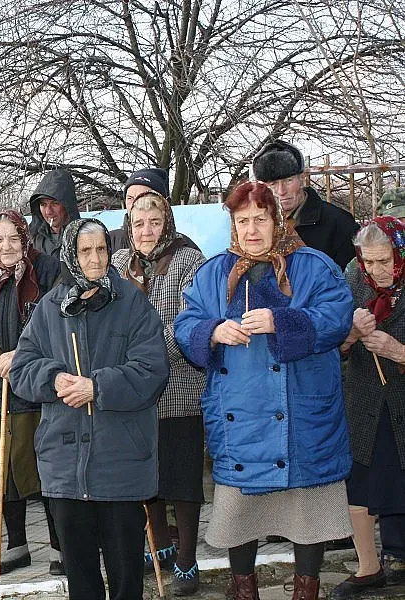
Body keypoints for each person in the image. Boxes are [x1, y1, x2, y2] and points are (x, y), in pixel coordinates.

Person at [174, 181, 354, 600]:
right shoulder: (214, 272)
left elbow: (337, 318)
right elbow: (185, 325)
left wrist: (282, 322)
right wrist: (213, 331)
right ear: (233, 224)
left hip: (302, 414)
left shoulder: (313, 266)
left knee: (308, 516)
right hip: (240, 418)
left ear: (277, 220)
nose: (251, 230)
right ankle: (244, 590)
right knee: (240, 516)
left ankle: (306, 590)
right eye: (243, 221)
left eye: (260, 219)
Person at [10, 218, 170, 600]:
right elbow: (21, 369)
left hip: (120, 462)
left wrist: (97, 387)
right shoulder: (50, 307)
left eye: (101, 249)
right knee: (81, 581)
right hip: (64, 464)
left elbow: (152, 370)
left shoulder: (132, 303)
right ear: (70, 255)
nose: (96, 259)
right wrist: (52, 378)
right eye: (85, 251)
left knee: (126, 578)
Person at [111, 191, 207, 594]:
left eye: (154, 222)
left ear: (166, 223)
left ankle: (187, 558)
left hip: (179, 382)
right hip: (134, 389)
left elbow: (191, 321)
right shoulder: (119, 263)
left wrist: (143, 352)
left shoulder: (189, 259)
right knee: (145, 471)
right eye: (138, 224)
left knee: (182, 475)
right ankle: (161, 544)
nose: (146, 231)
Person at [0, 210, 63, 577]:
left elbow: (53, 320)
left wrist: (21, 356)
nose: (6, 246)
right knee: (4, 473)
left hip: (36, 386)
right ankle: (17, 544)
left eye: (13, 238)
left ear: (25, 238)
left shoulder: (47, 270)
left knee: (44, 471)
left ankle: (59, 546)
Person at [331, 217, 405, 600]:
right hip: (364, 398)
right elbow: (334, 345)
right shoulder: (353, 279)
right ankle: (368, 568)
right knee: (360, 480)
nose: (376, 270)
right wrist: (352, 333)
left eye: (385, 261)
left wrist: (398, 351)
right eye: (369, 261)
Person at [252, 140, 359, 270]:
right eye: (272, 184)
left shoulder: (339, 224)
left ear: (302, 178)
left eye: (288, 180)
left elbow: (350, 277)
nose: (281, 191)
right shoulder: (250, 224)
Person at [109, 168, 200, 253]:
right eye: (130, 198)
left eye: (142, 197)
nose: (134, 204)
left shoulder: (186, 248)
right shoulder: (109, 242)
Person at [28, 169, 81, 257]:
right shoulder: (32, 237)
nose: (48, 211)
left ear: (67, 204)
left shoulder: (83, 235)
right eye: (43, 204)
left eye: (55, 203)